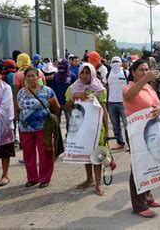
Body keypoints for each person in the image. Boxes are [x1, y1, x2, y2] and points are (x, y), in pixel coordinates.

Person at [123, 59, 160, 218]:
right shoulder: (129, 87)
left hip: (150, 131)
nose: (145, 72)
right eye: (141, 70)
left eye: (146, 69)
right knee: (138, 166)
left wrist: (159, 108)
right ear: (133, 73)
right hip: (135, 132)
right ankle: (138, 205)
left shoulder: (149, 88)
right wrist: (145, 80)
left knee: (149, 164)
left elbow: (159, 104)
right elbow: (129, 96)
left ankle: (147, 197)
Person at [65, 63, 110, 196]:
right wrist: (75, 96)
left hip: (97, 128)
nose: (85, 76)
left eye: (87, 72)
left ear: (93, 73)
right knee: (85, 153)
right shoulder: (72, 88)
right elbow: (67, 107)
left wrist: (107, 130)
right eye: (82, 73)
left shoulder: (100, 90)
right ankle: (89, 179)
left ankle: (98, 184)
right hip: (81, 127)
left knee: (97, 155)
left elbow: (104, 110)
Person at [17, 67, 60, 188]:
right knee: (28, 154)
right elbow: (18, 108)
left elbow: (56, 107)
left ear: (39, 77)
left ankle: (45, 179)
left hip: (43, 128)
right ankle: (32, 178)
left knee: (45, 153)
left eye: (33, 76)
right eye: (28, 76)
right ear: (25, 78)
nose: (31, 78)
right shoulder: (21, 92)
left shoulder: (47, 91)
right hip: (25, 129)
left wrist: (51, 122)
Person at [105, 56, 130, 151]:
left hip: (123, 102)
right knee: (115, 126)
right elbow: (104, 86)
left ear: (120, 63)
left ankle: (130, 144)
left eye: (117, 61)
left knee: (127, 124)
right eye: (113, 61)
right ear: (111, 63)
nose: (115, 63)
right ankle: (120, 143)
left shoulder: (125, 73)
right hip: (111, 102)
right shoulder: (108, 74)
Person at [51, 59, 77, 130]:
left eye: (63, 65)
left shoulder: (72, 76)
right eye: (59, 65)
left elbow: (75, 89)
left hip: (68, 102)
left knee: (70, 121)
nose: (61, 67)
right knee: (56, 122)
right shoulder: (55, 76)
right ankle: (57, 138)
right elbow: (53, 89)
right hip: (57, 103)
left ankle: (69, 136)